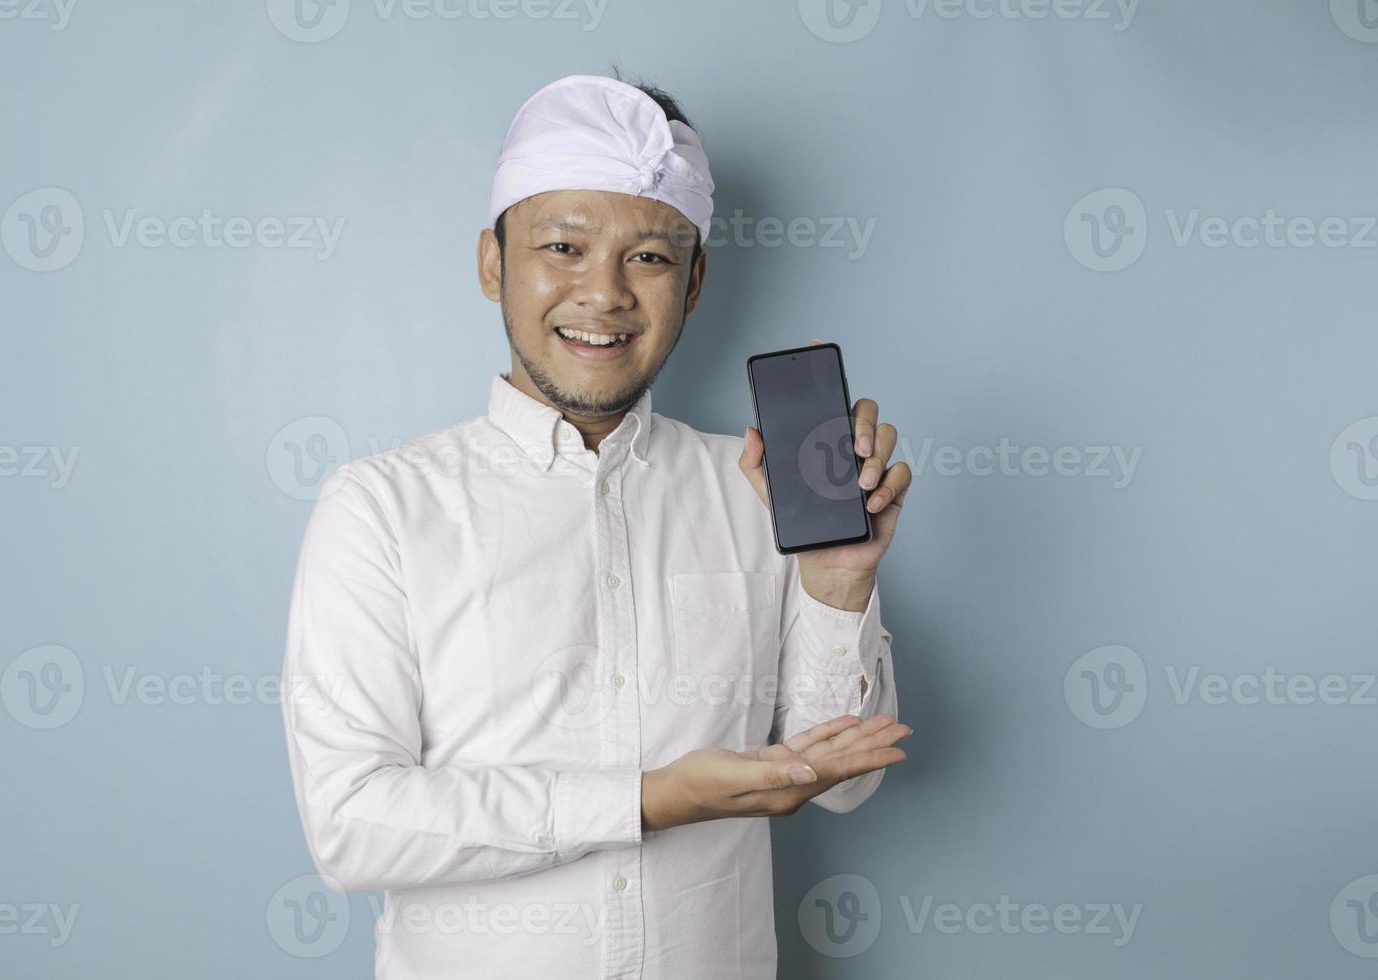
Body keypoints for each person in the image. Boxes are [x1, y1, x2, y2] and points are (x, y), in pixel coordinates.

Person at [280, 70, 915, 979]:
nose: (605, 293)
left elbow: (846, 783)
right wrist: (647, 801)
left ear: (694, 286)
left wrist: (839, 583)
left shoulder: (756, 492)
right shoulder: (380, 509)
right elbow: (351, 823)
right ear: (494, 262)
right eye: (564, 246)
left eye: (650, 258)